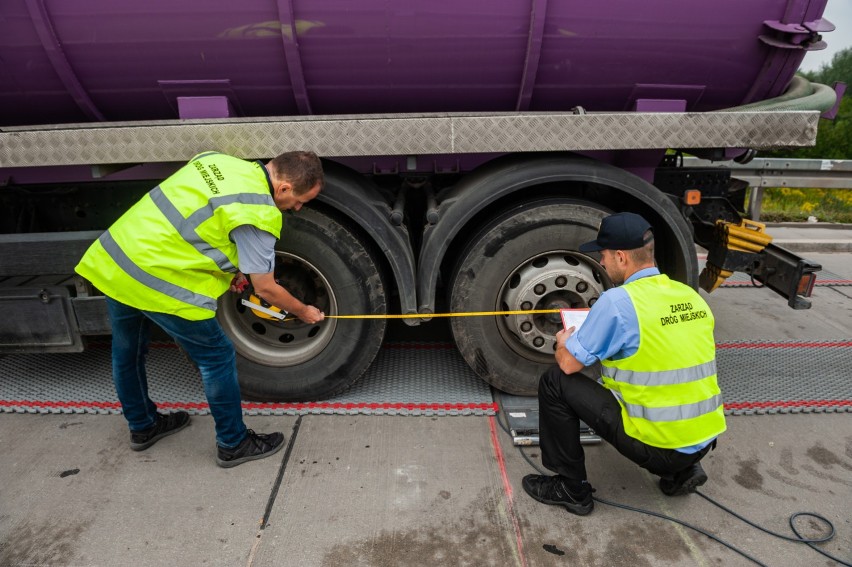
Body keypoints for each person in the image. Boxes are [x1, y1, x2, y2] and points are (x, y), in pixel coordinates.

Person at [75, 150, 325, 468]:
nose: (299, 208)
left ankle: (142, 426)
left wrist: (232, 268)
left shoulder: (219, 161)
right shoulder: (260, 213)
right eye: (302, 200)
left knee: (127, 351)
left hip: (120, 260)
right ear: (285, 188)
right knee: (217, 357)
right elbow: (265, 288)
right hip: (158, 279)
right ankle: (233, 443)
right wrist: (303, 311)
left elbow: (199, 219)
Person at [522, 212, 726, 516]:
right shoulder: (689, 296)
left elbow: (568, 365)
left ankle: (571, 489)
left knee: (555, 381)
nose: (602, 263)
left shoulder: (618, 302)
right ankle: (685, 470)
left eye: (603, 256)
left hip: (659, 449)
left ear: (620, 257)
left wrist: (563, 341)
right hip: (703, 439)